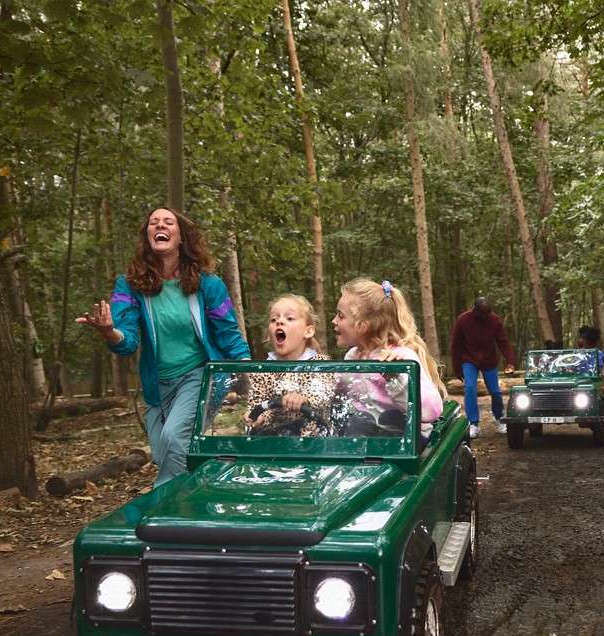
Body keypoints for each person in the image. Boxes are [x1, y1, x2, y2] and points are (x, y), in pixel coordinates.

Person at [77, 206, 250, 487]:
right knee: (163, 454)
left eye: (168, 222)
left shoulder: (208, 284)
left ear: (181, 237)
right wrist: (110, 333)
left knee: (173, 440)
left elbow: (228, 331)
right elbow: (127, 340)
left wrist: (245, 367)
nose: (161, 225)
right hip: (157, 383)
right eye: (154, 222)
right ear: (147, 236)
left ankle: (166, 512)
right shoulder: (129, 285)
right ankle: (209, 489)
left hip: (199, 375)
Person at [332, 278, 445, 436]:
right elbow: (338, 394)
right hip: (365, 437)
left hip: (407, 440)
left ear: (363, 326)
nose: (334, 321)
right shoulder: (352, 357)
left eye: (340, 316)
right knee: (354, 419)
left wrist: (395, 378)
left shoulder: (401, 357)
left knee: (387, 417)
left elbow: (432, 410)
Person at [244, 294, 333, 436]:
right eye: (274, 319)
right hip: (272, 443)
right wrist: (255, 417)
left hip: (313, 443)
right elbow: (255, 404)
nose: (279, 322)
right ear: (269, 334)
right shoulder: (262, 370)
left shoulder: (320, 364)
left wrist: (305, 399)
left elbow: (323, 393)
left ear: (308, 331)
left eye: (289, 318)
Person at [449, 296, 516, 439]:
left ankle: (499, 418)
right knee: (470, 388)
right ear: (475, 311)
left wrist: (510, 361)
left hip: (489, 360)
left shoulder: (494, 320)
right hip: (469, 360)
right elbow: (456, 345)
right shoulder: (463, 320)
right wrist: (457, 368)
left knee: (496, 392)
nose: (485, 317)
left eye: (488, 314)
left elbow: (503, 341)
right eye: (482, 314)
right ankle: (473, 423)